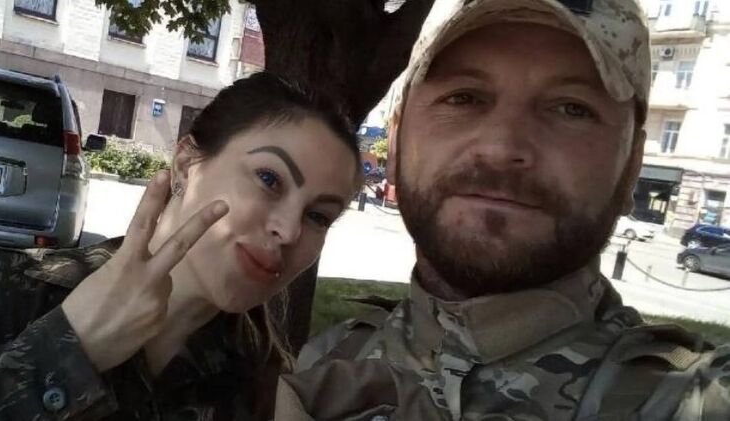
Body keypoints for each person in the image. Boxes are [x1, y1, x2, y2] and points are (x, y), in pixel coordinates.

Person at [273, 0, 730, 420]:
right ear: (394, 142)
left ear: (631, 165)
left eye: (572, 108)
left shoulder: (692, 401)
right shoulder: (326, 361)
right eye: (463, 97)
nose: (501, 147)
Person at [0, 72, 362, 420]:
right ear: (185, 164)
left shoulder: (258, 386)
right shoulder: (3, 292)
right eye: (269, 179)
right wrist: (72, 349)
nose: (290, 231)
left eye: (318, 216)